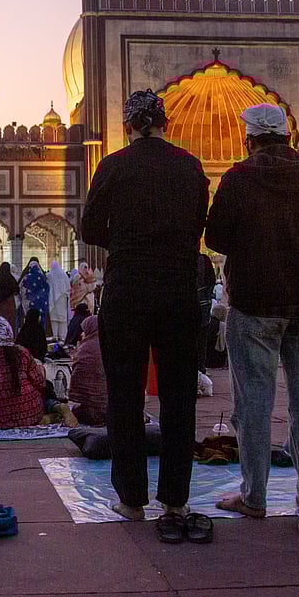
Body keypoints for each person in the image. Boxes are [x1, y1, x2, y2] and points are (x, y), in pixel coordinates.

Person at [80, 89, 210, 532]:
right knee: (178, 399)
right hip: (177, 292)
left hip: (128, 292)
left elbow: (91, 228)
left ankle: (132, 500)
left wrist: (126, 241)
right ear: (166, 124)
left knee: (126, 397)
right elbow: (198, 226)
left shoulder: (113, 165)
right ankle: (175, 502)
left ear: (128, 127)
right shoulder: (190, 166)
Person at [204, 103, 299, 520]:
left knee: (255, 404)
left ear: (250, 138)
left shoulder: (239, 178)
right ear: (288, 135)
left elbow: (217, 237)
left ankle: (254, 495)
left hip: (255, 305)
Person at [0, 316, 75, 429]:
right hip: (30, 410)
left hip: (1, 419)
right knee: (46, 388)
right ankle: (56, 408)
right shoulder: (20, 351)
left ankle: (47, 417)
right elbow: (39, 382)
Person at [69, 315, 106, 426]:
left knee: (75, 410)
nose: (82, 334)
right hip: (113, 407)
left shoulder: (84, 349)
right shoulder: (111, 344)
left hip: (90, 410)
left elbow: (77, 380)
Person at [19, 259, 50, 332]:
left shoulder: (26, 277)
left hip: (30, 304)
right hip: (42, 304)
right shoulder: (43, 278)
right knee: (41, 321)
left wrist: (25, 300)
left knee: (30, 320)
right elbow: (47, 289)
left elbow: (22, 290)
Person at [0, 262, 20, 331]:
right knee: (10, 320)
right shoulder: (11, 278)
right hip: (9, 303)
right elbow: (16, 290)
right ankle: (10, 334)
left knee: (0, 319)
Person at [47, 262, 71, 339]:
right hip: (62, 301)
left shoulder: (49, 275)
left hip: (52, 302)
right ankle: (63, 339)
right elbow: (68, 287)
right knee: (63, 322)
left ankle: (54, 338)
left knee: (53, 321)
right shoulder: (64, 274)